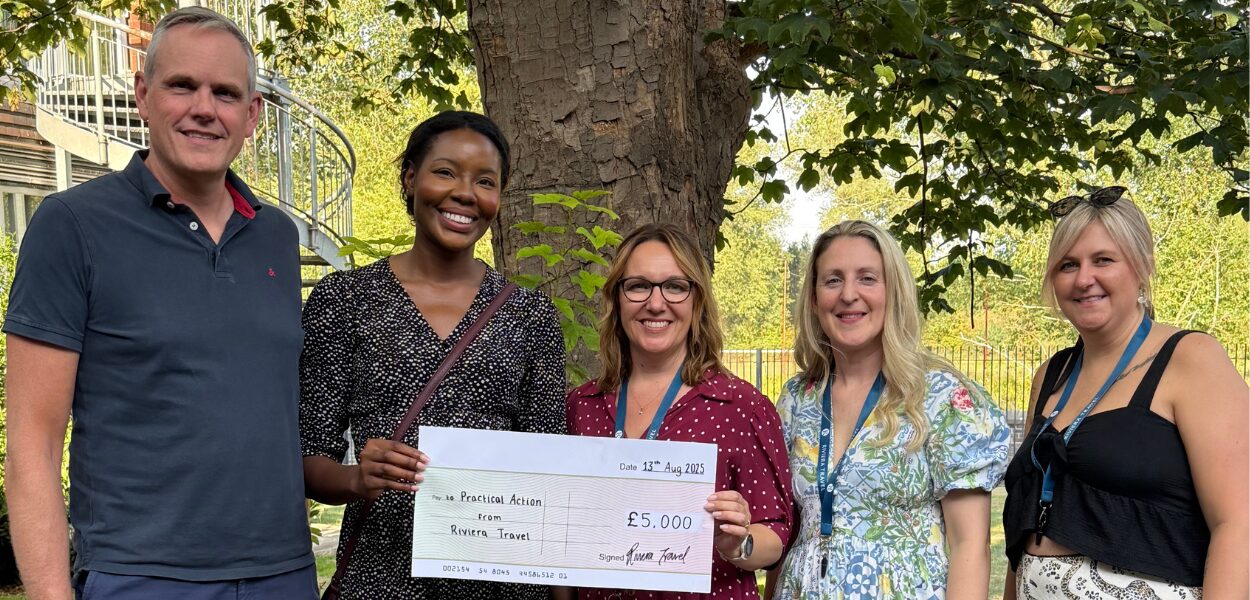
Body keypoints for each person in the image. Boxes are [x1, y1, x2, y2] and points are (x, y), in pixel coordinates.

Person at [3, 8, 318, 599]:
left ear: (250, 115)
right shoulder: (71, 226)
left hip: (284, 573)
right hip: (142, 577)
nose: (205, 108)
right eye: (182, 86)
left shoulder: (275, 236)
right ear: (144, 96)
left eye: (225, 93)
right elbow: (32, 448)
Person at [299, 110, 567, 598]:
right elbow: (308, 460)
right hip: (380, 582)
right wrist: (357, 478)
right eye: (445, 171)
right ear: (410, 177)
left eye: (485, 181)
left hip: (500, 587)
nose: (465, 193)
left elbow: (548, 475)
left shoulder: (531, 318)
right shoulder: (345, 300)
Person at [1002, 188, 1248, 599]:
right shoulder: (1051, 374)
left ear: (1141, 267)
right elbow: (1022, 529)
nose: (1084, 279)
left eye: (1103, 260)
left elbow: (1238, 523)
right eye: (1068, 264)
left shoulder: (1190, 359)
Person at [765, 220, 1010, 599]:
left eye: (867, 278)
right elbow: (789, 532)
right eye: (832, 280)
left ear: (893, 291)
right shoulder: (799, 399)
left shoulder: (941, 397)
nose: (849, 295)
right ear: (814, 299)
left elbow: (970, 548)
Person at [565, 224, 794, 599]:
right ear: (617, 298)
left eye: (675, 286)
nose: (656, 303)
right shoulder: (582, 408)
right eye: (638, 285)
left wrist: (738, 544)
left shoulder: (741, 407)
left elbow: (777, 535)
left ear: (697, 300)